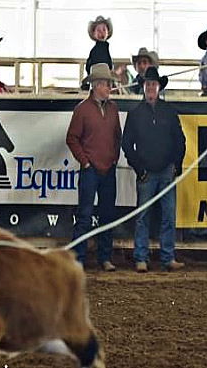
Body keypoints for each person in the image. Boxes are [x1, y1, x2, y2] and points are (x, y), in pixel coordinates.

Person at [122, 66, 186, 273]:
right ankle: (142, 256)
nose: (150, 87)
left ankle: (167, 257)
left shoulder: (169, 111)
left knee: (167, 215)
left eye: (153, 84)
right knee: (144, 216)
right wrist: (139, 168)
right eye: (148, 84)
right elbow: (126, 144)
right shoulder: (135, 114)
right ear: (143, 87)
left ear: (159, 87)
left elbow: (180, 141)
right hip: (147, 172)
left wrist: (177, 164)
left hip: (166, 170)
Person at [66, 63, 122, 272]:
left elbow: (118, 136)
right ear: (97, 85)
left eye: (109, 84)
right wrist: (85, 161)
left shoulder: (113, 109)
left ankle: (104, 257)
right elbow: (72, 138)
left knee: (107, 214)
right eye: (107, 84)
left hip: (107, 168)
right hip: (91, 169)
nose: (109, 88)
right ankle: (79, 259)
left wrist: (114, 158)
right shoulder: (82, 110)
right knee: (85, 215)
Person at [84, 16, 113, 90]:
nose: (102, 33)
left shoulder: (106, 48)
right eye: (99, 30)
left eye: (104, 30)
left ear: (108, 32)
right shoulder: (95, 50)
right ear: (94, 34)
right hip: (97, 81)